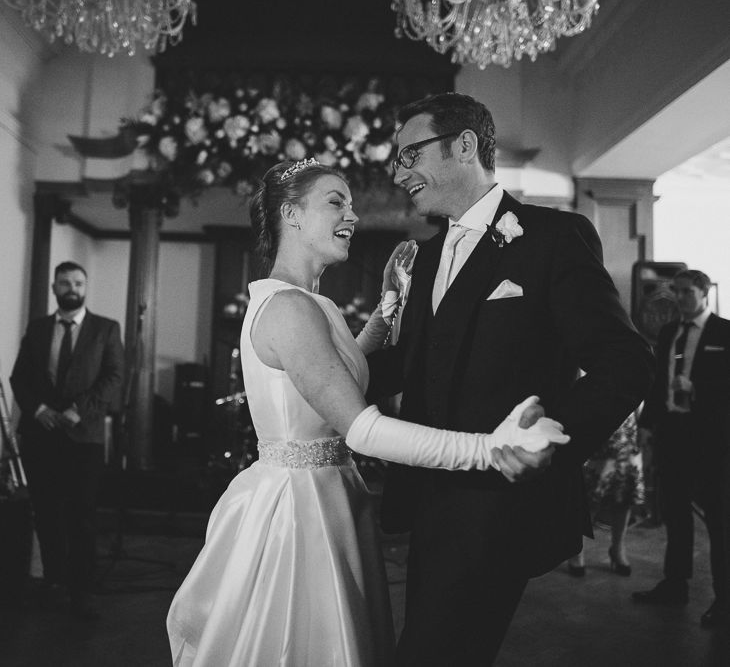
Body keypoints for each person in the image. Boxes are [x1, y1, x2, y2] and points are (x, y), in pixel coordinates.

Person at [166, 159, 571, 667]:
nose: (352, 215)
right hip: (300, 508)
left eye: (351, 204)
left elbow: (348, 369)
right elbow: (360, 426)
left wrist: (387, 305)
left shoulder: (316, 305)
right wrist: (488, 448)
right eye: (336, 201)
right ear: (290, 214)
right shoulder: (288, 309)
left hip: (332, 495)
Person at [364, 92, 655, 666]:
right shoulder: (419, 258)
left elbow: (625, 360)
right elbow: (410, 363)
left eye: (410, 155)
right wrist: (315, 383)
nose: (400, 174)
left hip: (498, 506)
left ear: (465, 145)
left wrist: (549, 435)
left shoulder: (552, 238)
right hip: (428, 497)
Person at [10, 261, 124, 620]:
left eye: (77, 282)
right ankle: (54, 582)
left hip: (83, 437)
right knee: (46, 515)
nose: (71, 288)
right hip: (41, 437)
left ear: (85, 287)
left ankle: (81, 590)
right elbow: (19, 378)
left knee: (81, 517)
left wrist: (81, 409)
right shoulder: (39, 328)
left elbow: (114, 376)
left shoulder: (106, 329)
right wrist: (38, 409)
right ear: (54, 288)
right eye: (64, 283)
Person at [633, 269, 730, 629]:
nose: (681, 298)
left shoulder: (725, 332)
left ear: (704, 293)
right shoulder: (670, 332)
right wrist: (645, 426)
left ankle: (725, 599)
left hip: (712, 440)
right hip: (673, 435)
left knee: (719, 521)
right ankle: (675, 584)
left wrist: (697, 387)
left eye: (687, 292)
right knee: (674, 512)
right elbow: (658, 384)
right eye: (677, 292)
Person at [567, 411, 645, 577]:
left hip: (627, 428)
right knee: (589, 494)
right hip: (594, 423)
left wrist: (643, 423)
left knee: (624, 491)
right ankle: (576, 549)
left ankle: (618, 548)